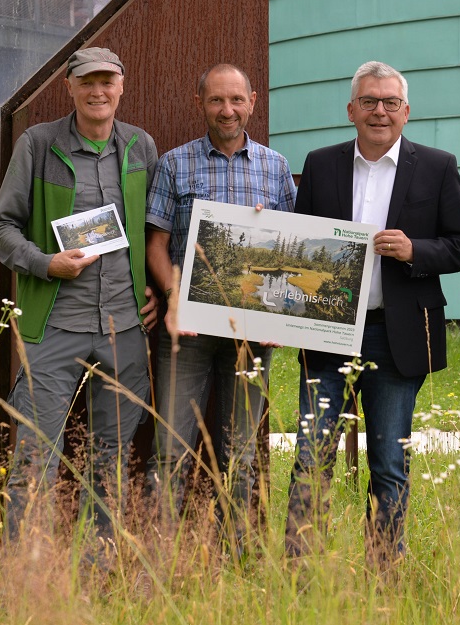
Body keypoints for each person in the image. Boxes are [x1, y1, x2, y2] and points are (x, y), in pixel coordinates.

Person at [284, 60, 460, 566]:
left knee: (389, 462)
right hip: (327, 331)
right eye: (369, 101)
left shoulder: (437, 166)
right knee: (311, 456)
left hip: (397, 334)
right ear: (351, 109)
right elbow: (299, 243)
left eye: (390, 102)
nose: (380, 111)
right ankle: (300, 572)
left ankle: (383, 571)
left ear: (406, 112)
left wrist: (415, 251)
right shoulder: (320, 164)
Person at [0, 47, 158, 556]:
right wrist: (46, 264)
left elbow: (154, 227)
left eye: (107, 80)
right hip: (55, 324)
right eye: (87, 81)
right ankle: (25, 569)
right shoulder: (38, 144)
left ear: (122, 86)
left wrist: (154, 285)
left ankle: (97, 565)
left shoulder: (141, 146)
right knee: (35, 454)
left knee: (112, 456)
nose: (97, 91)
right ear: (70, 87)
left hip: (124, 325)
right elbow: (0, 227)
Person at [144, 64, 295, 555]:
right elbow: (155, 245)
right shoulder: (174, 164)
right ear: (200, 103)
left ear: (252, 102)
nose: (227, 110)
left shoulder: (276, 167)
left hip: (252, 331)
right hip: (187, 330)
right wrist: (175, 296)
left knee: (241, 456)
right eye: (216, 100)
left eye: (236, 100)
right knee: (170, 450)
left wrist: (279, 313)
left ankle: (239, 560)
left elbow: (290, 248)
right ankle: (158, 562)